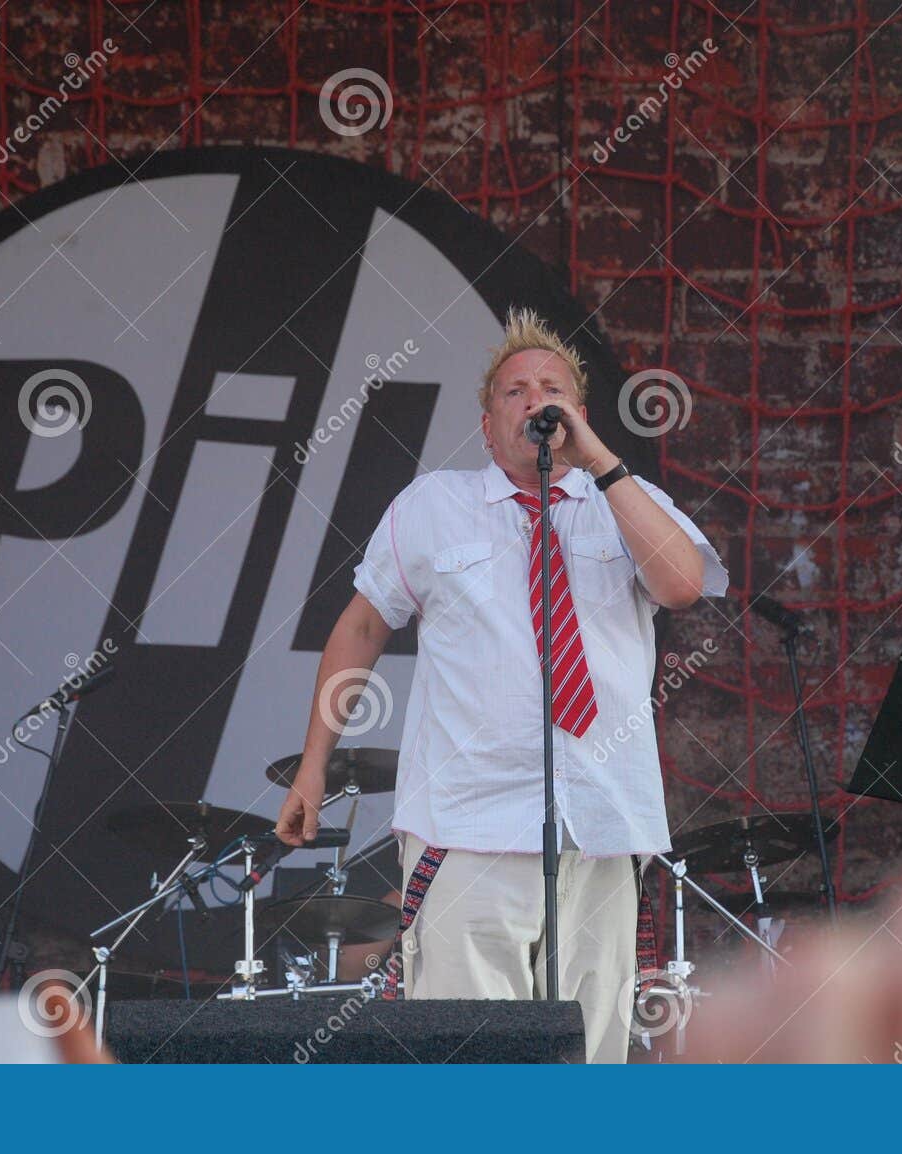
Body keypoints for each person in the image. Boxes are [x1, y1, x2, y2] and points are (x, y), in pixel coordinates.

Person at [274, 308, 727, 1062]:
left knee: (592, 1052)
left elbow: (682, 585)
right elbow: (359, 630)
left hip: (602, 822)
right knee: (469, 1059)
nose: (534, 401)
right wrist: (314, 764)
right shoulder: (432, 506)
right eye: (514, 391)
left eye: (552, 389)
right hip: (468, 821)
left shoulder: (624, 502)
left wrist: (603, 466)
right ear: (488, 426)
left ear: (578, 415)